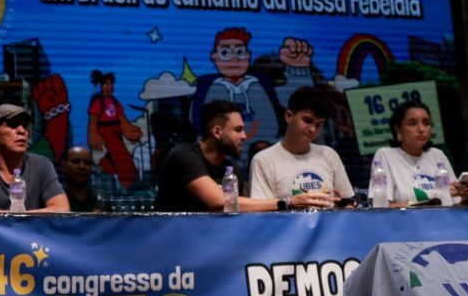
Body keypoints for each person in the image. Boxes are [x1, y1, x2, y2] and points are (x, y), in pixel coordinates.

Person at [155, 100, 335, 212]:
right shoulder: (184, 156)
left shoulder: (232, 171)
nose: (244, 136)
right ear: (217, 131)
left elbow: (235, 212)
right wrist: (289, 202)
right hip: (171, 254)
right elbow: (219, 203)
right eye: (238, 130)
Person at [250, 87, 356, 205]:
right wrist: (292, 203)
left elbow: (349, 203)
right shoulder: (264, 160)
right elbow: (260, 211)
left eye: (319, 124)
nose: (313, 129)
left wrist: (341, 205)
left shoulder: (329, 155)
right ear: (289, 116)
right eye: (308, 121)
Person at [0, 104, 70, 212]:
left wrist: (19, 218)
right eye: (12, 125)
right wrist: (19, 218)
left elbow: (62, 209)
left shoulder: (42, 165)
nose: (22, 131)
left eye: (25, 125)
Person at [371, 100, 468, 207]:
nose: (421, 129)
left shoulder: (438, 155)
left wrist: (464, 198)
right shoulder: (385, 155)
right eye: (412, 123)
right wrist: (420, 206)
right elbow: (381, 207)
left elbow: (453, 206)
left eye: (426, 123)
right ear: (398, 128)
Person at [88, 70, 142, 187]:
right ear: (101, 86)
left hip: (116, 132)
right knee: (121, 157)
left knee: (120, 156)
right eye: (106, 84)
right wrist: (93, 135)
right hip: (106, 132)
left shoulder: (114, 101)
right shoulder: (98, 102)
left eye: (111, 84)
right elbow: (93, 121)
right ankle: (128, 183)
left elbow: (123, 120)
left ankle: (106, 166)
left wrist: (131, 130)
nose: (109, 87)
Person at [59, 145, 100, 212]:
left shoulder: (101, 200)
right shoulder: (55, 199)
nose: (82, 166)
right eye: (75, 161)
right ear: (64, 166)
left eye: (87, 163)